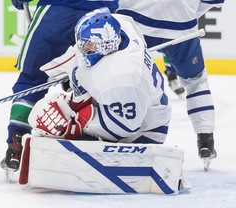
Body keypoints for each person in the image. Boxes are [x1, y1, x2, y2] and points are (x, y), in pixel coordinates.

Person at [1, 0, 119, 172]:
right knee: (96, 80)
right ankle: (95, 139)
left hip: (56, 11)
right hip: (101, 16)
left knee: (32, 78)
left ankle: (16, 141)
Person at [27, 7, 171, 145]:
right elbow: (82, 52)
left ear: (106, 44)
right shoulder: (122, 25)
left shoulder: (123, 76)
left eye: (88, 45)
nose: (83, 48)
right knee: (61, 107)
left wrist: (78, 125)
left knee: (63, 124)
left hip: (144, 131)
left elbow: (126, 126)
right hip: (131, 101)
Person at [117, 0, 225, 162]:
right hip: (181, 30)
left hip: (134, 23)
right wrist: (184, 14)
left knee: (120, 72)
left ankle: (106, 124)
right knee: (196, 81)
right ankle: (205, 139)